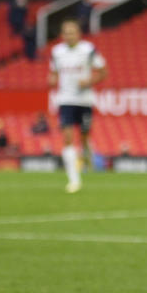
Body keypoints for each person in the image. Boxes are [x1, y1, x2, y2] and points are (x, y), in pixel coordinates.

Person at [48, 18, 107, 193]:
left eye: (72, 32)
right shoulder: (56, 52)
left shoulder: (88, 50)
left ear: (78, 34)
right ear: (62, 35)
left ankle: (88, 160)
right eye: (66, 33)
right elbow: (53, 74)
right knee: (67, 137)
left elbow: (104, 72)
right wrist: (52, 80)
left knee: (84, 137)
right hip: (65, 100)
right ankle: (74, 179)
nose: (69, 36)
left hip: (85, 99)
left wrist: (89, 81)